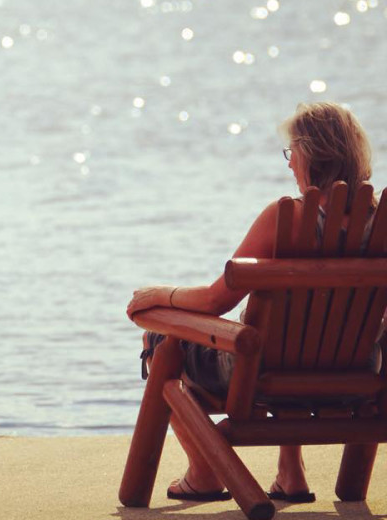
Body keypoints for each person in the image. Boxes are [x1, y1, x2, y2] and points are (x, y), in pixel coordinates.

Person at [126, 102, 381, 504]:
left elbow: (214, 301)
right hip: (357, 379)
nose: (289, 164)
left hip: (261, 375)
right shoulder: (381, 221)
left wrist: (162, 296)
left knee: (161, 343)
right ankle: (290, 473)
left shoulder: (285, 218)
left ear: (312, 155)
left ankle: (205, 471)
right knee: (298, 333)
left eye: (291, 153)